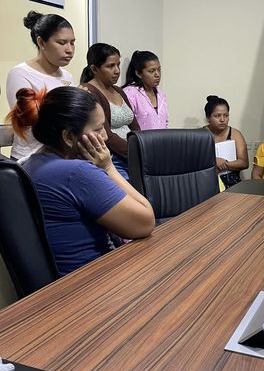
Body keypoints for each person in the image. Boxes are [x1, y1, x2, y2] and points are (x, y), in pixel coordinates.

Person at [7, 86, 154, 276]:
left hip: (67, 281)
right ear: (69, 137)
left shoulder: (31, 163)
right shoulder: (76, 172)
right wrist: (108, 168)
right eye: (98, 129)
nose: (105, 136)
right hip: (96, 280)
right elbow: (145, 222)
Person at [6, 11, 75, 159]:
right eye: (62, 43)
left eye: (72, 42)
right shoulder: (20, 73)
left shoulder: (67, 76)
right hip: (30, 158)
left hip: (63, 156)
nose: (69, 50)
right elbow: (27, 120)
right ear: (41, 42)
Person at [80, 43, 140, 179]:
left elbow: (134, 125)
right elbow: (106, 135)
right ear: (94, 69)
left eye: (118, 65)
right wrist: (135, 152)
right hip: (113, 158)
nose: (117, 70)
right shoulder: (89, 92)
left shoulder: (118, 90)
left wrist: (143, 145)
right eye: (110, 66)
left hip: (133, 154)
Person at [204, 95, 248, 188]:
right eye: (217, 116)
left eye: (226, 115)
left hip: (232, 183)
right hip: (206, 183)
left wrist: (224, 164)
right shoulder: (200, 135)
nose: (222, 120)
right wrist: (213, 162)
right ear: (208, 117)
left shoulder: (235, 134)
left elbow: (244, 163)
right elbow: (193, 162)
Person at [122, 50, 168, 129]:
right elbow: (125, 124)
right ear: (138, 73)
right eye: (152, 71)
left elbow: (165, 123)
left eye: (159, 70)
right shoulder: (130, 93)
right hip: (139, 137)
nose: (157, 74)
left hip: (162, 137)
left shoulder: (161, 95)